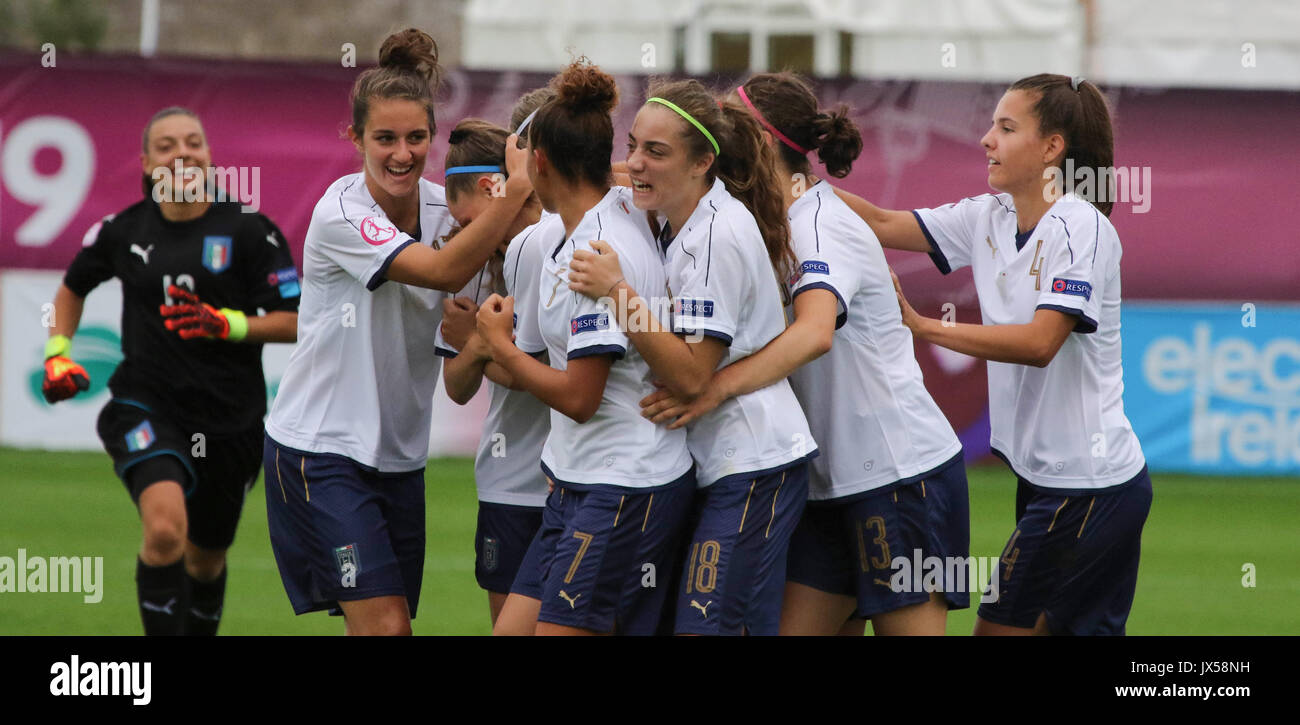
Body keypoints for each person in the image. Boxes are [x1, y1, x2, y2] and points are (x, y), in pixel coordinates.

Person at [641, 72, 972, 635]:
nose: (713, 135)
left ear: (763, 143)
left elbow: (816, 331)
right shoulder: (769, 215)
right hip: (824, 484)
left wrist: (711, 389)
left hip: (899, 476)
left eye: (726, 123)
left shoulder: (817, 225)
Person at [854, 74, 1151, 635]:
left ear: (1051, 148)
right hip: (1053, 480)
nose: (986, 139)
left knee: (997, 629)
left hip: (1087, 484)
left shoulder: (1079, 224)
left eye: (1006, 127)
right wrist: (785, 181)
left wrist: (925, 327)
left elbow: (1041, 343)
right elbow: (879, 222)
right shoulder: (990, 215)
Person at [261, 28, 534, 636]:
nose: (402, 153)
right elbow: (442, 269)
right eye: (384, 138)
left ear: (433, 138)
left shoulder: (451, 212)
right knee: (387, 629)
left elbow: (461, 346)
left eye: (416, 137)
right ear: (355, 137)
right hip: (321, 449)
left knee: (386, 628)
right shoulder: (341, 213)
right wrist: (516, 191)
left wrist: (485, 335)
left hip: (400, 460)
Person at [567, 78, 816, 636]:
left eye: (656, 152)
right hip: (721, 464)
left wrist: (617, 291)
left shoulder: (713, 237)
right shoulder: (685, 220)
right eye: (631, 145)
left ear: (705, 160)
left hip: (752, 462)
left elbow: (689, 374)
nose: (635, 164)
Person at [43, 106, 299, 636]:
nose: (182, 153)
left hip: (231, 420)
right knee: (164, 530)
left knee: (205, 559)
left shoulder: (250, 230)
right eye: (166, 146)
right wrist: (58, 351)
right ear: (146, 162)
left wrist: (225, 324)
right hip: (146, 405)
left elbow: (298, 321)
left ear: (208, 155)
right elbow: (72, 288)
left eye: (193, 142)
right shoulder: (121, 231)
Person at [477, 59, 696, 636]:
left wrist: (499, 346)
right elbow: (614, 172)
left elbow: (579, 397)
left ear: (539, 163)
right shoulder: (596, 213)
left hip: (624, 484)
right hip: (577, 481)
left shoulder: (596, 253)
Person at [436, 117, 547, 627]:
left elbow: (564, 385)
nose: (466, 236)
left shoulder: (561, 249)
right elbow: (457, 388)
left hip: (581, 481)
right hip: (508, 485)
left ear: (494, 188)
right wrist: (475, 351)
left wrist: (481, 344)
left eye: (469, 221)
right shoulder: (476, 267)